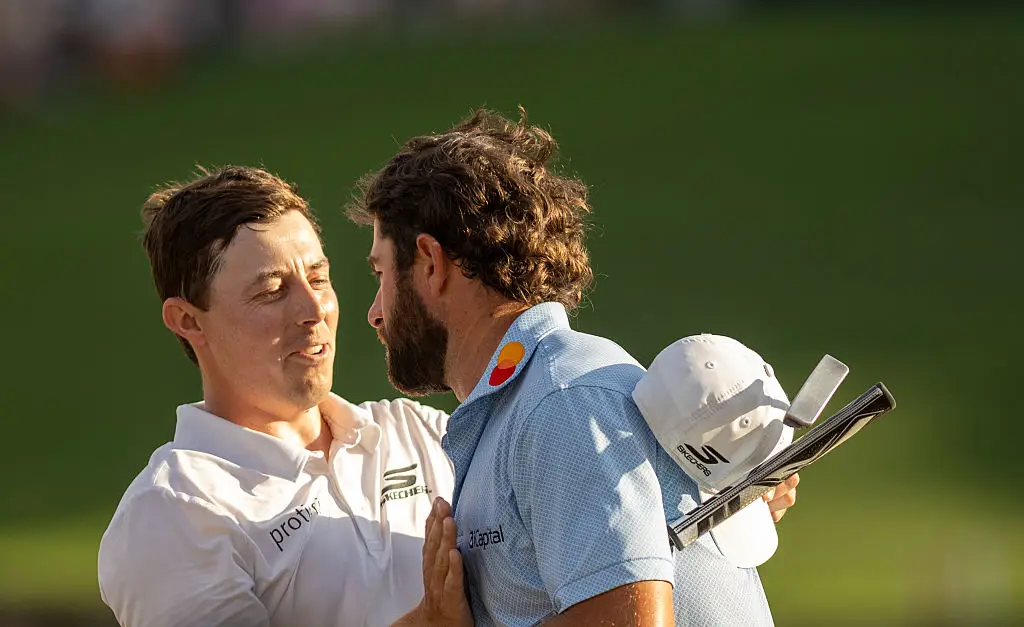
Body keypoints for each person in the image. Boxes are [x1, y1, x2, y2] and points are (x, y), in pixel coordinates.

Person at [346, 107, 799, 626]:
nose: (375, 312)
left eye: (381, 273)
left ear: (430, 261)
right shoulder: (542, 397)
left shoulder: (563, 401)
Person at [96, 165, 470, 627]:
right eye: (272, 291)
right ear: (188, 321)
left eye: (318, 279)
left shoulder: (420, 432)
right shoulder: (173, 509)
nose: (315, 311)